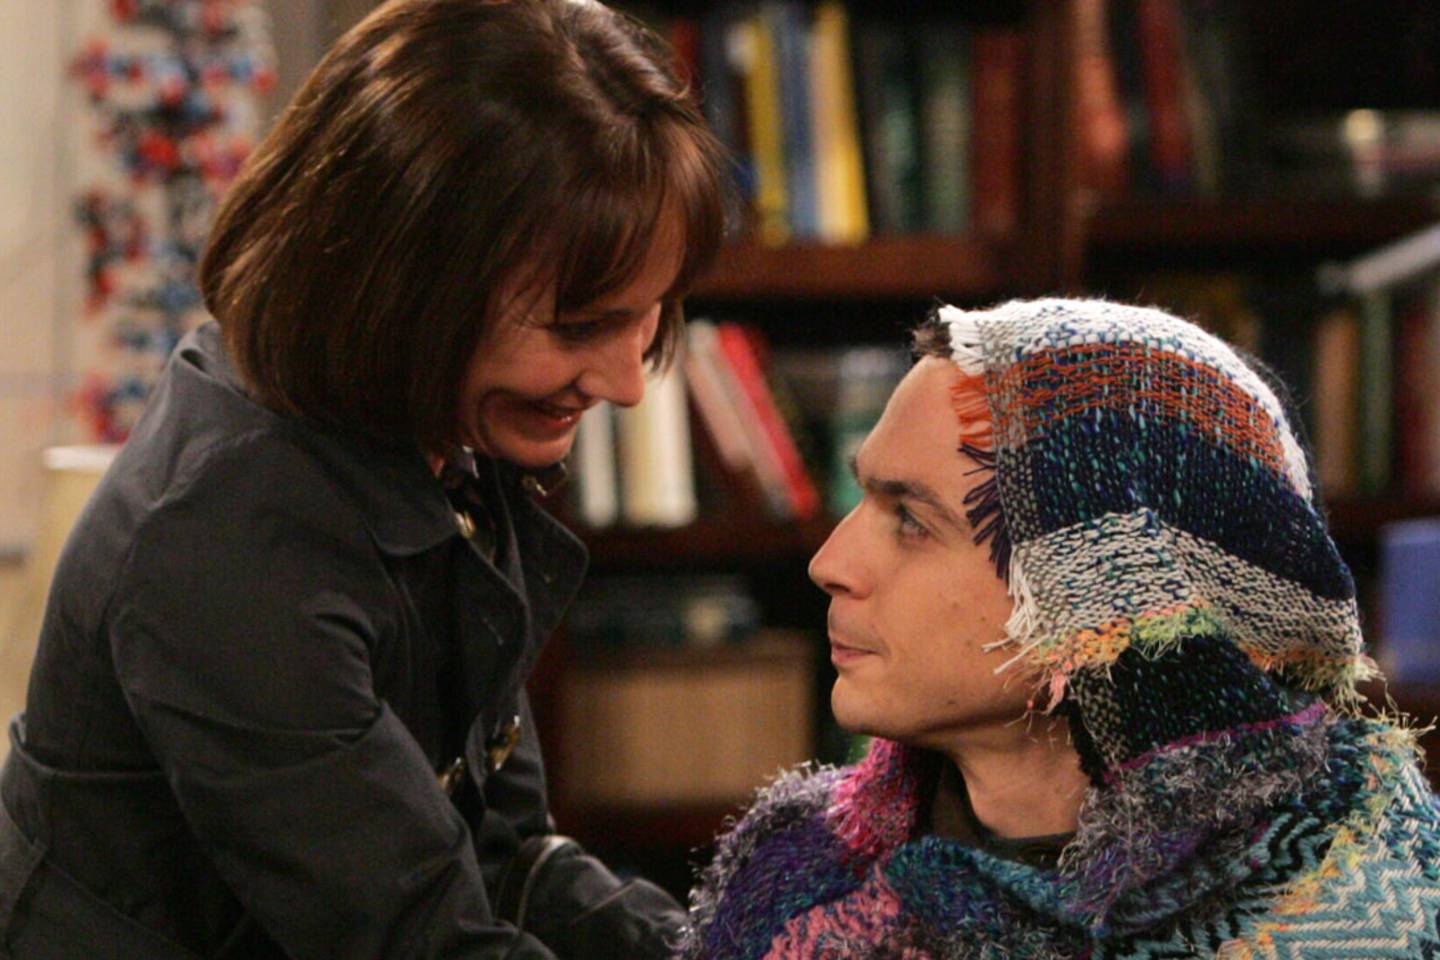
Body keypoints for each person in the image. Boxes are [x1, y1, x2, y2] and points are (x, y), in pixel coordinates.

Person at [0, 0, 729, 957]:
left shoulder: (436, 438)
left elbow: (503, 857)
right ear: (406, 282)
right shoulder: (230, 542)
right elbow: (423, 936)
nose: (629, 383)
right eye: (579, 325)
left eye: (651, 311)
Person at [680, 298, 1440, 959]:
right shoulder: (793, 873)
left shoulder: (1370, 903)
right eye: (863, 500)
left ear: (1107, 588)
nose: (829, 563)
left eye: (911, 520)